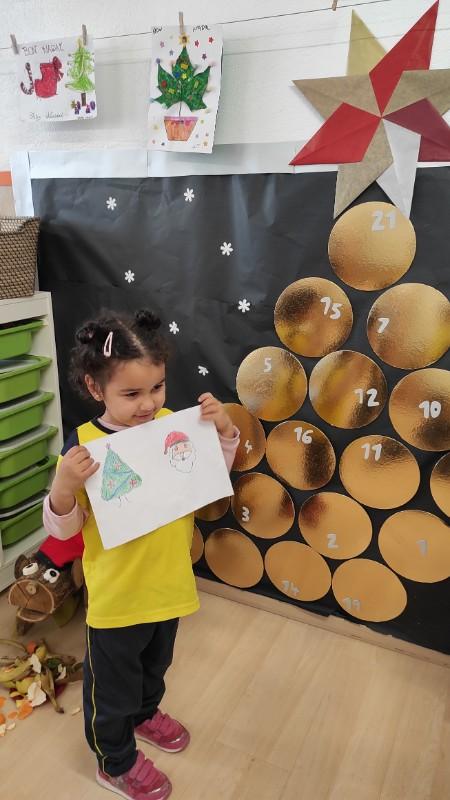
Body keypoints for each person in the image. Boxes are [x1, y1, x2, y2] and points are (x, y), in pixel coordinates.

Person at [43, 309, 239, 800]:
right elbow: (63, 527)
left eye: (157, 387)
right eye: (131, 394)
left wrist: (223, 431)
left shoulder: (173, 424)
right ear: (95, 388)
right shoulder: (83, 448)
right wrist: (63, 486)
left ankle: (145, 713)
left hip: (169, 586)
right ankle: (115, 762)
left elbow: (206, 477)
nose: (149, 403)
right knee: (111, 688)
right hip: (117, 599)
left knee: (155, 666)